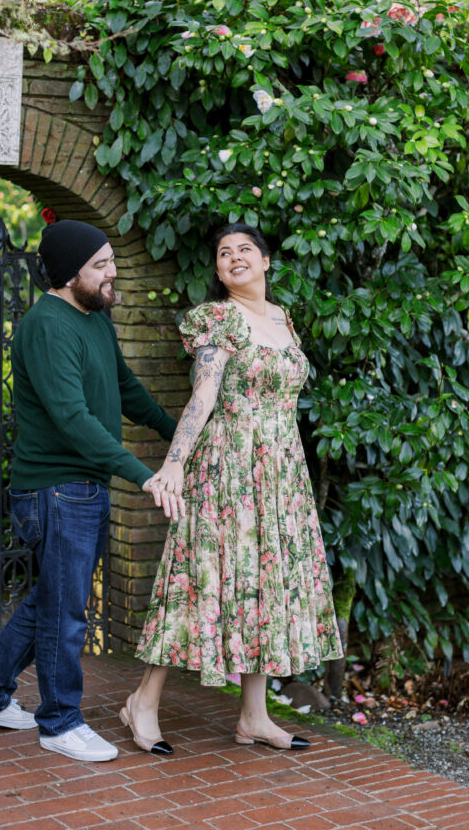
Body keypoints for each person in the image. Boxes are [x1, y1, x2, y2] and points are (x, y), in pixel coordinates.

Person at [0, 219, 181, 762]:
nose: (112, 272)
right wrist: (144, 474)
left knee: (53, 600)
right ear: (68, 275)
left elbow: (125, 387)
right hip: (56, 489)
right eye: (100, 265)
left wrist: (179, 433)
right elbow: (72, 419)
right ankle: (60, 722)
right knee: (66, 612)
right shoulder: (46, 324)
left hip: (81, 489)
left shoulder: (94, 318)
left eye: (111, 260)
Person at [120, 223, 343, 755]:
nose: (234, 257)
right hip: (226, 469)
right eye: (225, 253)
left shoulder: (282, 318)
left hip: (280, 474)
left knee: (263, 586)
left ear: (266, 261)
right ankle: (141, 703)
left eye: (246, 249)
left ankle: (254, 717)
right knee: (196, 581)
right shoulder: (218, 319)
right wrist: (175, 462)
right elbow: (204, 394)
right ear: (219, 270)